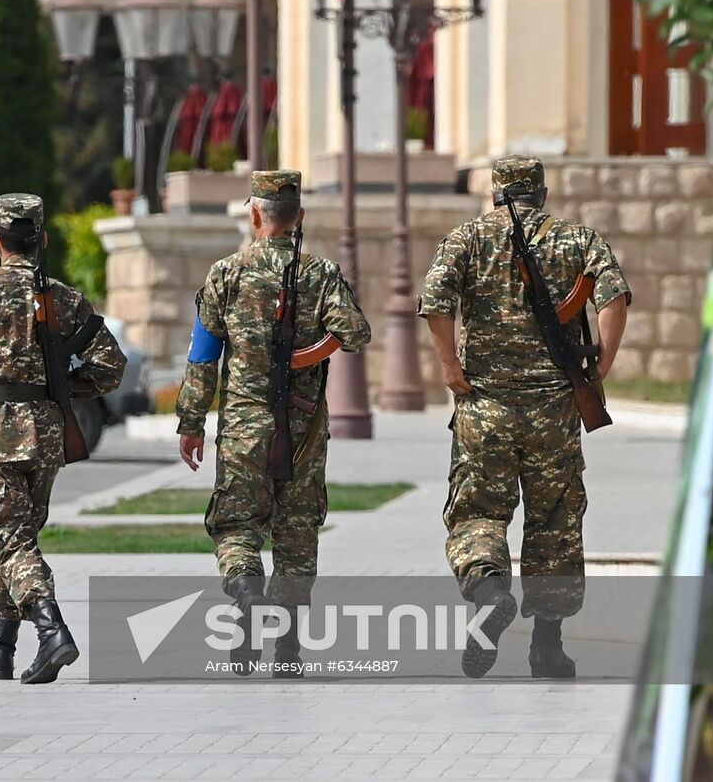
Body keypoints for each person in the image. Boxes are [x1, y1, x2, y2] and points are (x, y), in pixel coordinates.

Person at [418, 155, 629, 679]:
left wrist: (450, 366)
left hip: (483, 406)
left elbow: (435, 303)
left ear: (494, 193)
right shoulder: (576, 238)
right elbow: (613, 295)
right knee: (555, 523)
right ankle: (547, 647)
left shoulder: (465, 239)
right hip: (553, 409)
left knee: (478, 514)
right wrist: (603, 360)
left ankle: (489, 590)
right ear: (542, 192)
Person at [0, 193, 126, 685]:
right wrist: (63, 389)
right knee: (19, 538)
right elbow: (110, 366)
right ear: (44, 239)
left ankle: (52, 630)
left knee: (8, 539)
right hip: (47, 435)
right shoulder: (65, 299)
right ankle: (1, 649)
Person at [175, 170, 371, 677]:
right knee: (297, 532)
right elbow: (355, 330)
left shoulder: (225, 274)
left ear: (255, 214)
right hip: (303, 427)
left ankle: (245, 596)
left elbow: (203, 357)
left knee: (237, 527)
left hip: (243, 423)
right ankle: (286, 648)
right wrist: (311, 356)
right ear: (299, 217)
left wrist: (191, 422)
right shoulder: (321, 273)